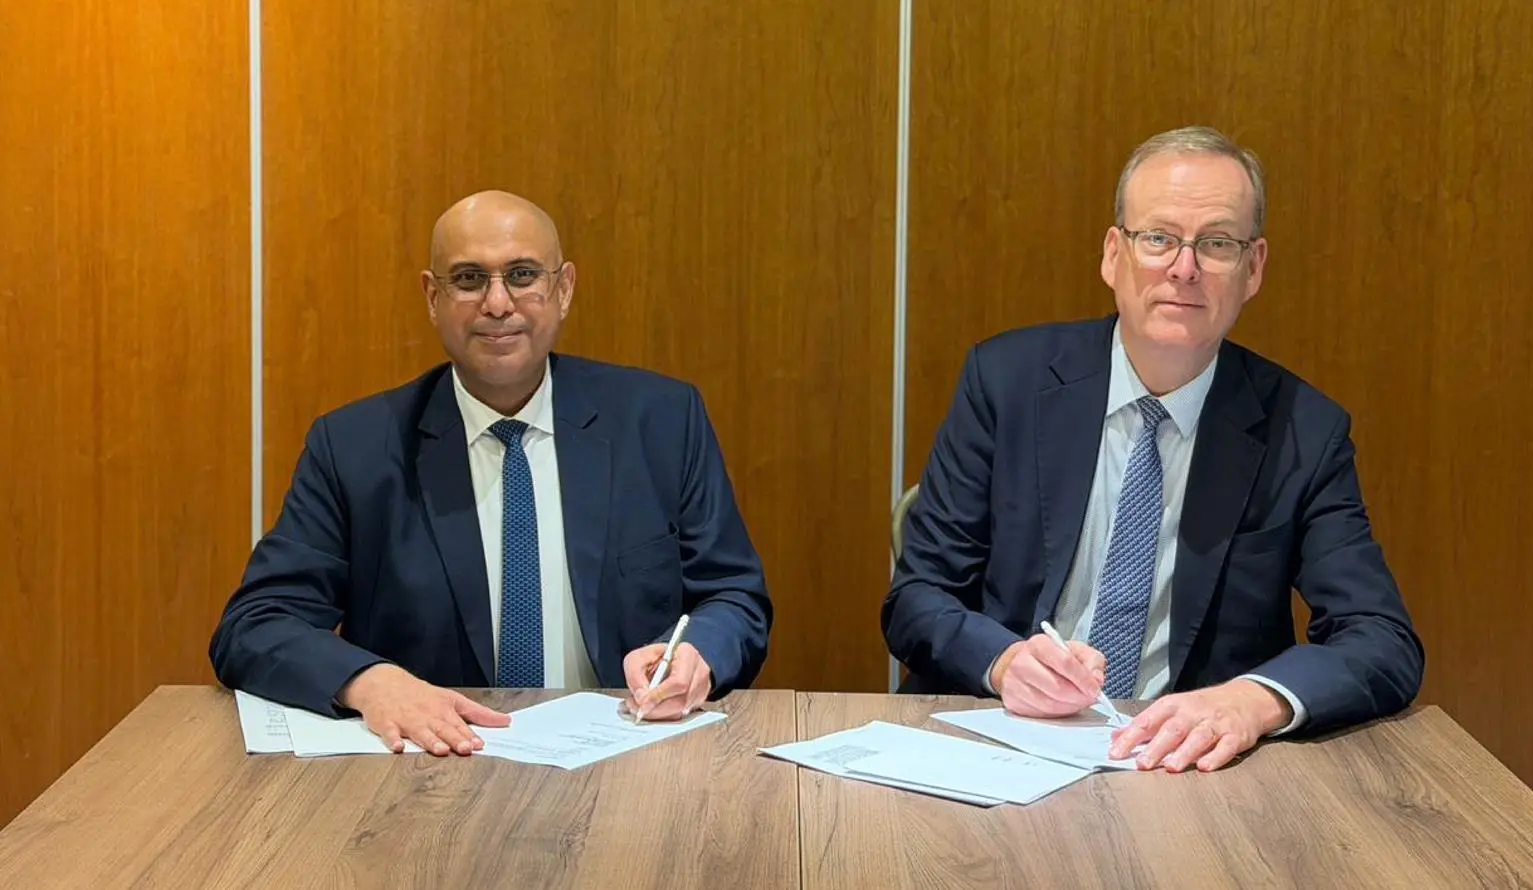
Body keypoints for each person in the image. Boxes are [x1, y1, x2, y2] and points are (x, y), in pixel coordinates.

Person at [883, 126, 1422, 773]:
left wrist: (1252, 701)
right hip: (998, 744)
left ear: (1253, 268)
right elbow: (918, 597)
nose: (1184, 268)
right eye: (1159, 238)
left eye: (1216, 243)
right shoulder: (1006, 382)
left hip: (1181, 767)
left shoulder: (1303, 432)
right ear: (1114, 255)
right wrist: (1002, 663)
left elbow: (1382, 639)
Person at [212, 191, 772, 755]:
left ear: (564, 288)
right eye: (469, 279)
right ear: (433, 297)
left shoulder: (661, 421)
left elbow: (734, 597)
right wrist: (371, 682)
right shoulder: (355, 448)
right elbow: (254, 625)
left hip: (628, 757)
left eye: (523, 275)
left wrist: (697, 652)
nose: (498, 304)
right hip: (435, 766)